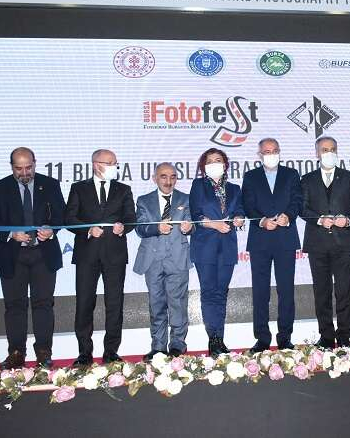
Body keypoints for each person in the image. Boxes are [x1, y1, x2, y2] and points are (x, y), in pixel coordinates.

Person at [0, 147, 66, 369]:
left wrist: (52, 230)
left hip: (43, 254)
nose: (24, 173)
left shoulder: (50, 184)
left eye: (28, 167)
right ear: (12, 167)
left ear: (35, 163)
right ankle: (16, 353)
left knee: (44, 304)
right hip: (12, 255)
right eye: (19, 169)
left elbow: (61, 215)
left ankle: (44, 353)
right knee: (14, 306)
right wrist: (10, 233)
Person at [66, 149, 136, 367]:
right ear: (96, 165)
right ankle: (84, 353)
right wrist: (87, 229)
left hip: (115, 254)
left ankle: (111, 352)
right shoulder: (78, 188)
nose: (115, 166)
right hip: (87, 254)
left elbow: (131, 218)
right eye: (110, 163)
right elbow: (69, 218)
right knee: (84, 303)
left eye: (116, 163)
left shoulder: (124, 189)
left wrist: (123, 227)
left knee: (114, 304)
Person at [300, 136, 350, 349]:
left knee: (345, 292)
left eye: (333, 149)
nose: (329, 153)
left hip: (344, 244)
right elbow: (302, 208)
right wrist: (319, 219)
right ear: (317, 153)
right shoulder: (307, 179)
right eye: (324, 149)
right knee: (322, 292)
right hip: (317, 244)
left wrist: (348, 220)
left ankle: (344, 336)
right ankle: (326, 337)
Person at [242, 138, 302, 353]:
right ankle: (262, 338)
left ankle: (285, 338)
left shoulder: (291, 174)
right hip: (260, 240)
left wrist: (289, 216)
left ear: (280, 152)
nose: (271, 154)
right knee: (260, 292)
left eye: (275, 150)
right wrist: (262, 221)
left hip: (285, 238)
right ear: (259, 155)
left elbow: (297, 200)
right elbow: (247, 205)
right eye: (266, 151)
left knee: (286, 291)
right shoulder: (250, 177)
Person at [134, 162, 194, 361]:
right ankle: (158, 347)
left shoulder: (185, 199)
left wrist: (189, 228)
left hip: (178, 258)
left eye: (173, 177)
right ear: (155, 178)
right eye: (163, 176)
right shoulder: (144, 200)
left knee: (178, 304)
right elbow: (140, 228)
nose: (169, 181)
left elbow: (193, 224)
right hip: (152, 260)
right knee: (156, 304)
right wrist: (156, 228)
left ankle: (177, 345)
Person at [190, 148, 245, 356]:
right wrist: (215, 225)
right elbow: (196, 215)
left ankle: (219, 338)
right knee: (209, 292)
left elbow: (240, 210)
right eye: (210, 161)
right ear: (204, 166)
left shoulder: (234, 188)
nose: (214, 163)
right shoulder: (198, 186)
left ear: (225, 164)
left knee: (222, 293)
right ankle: (212, 338)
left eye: (218, 160)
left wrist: (239, 218)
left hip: (227, 247)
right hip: (205, 246)